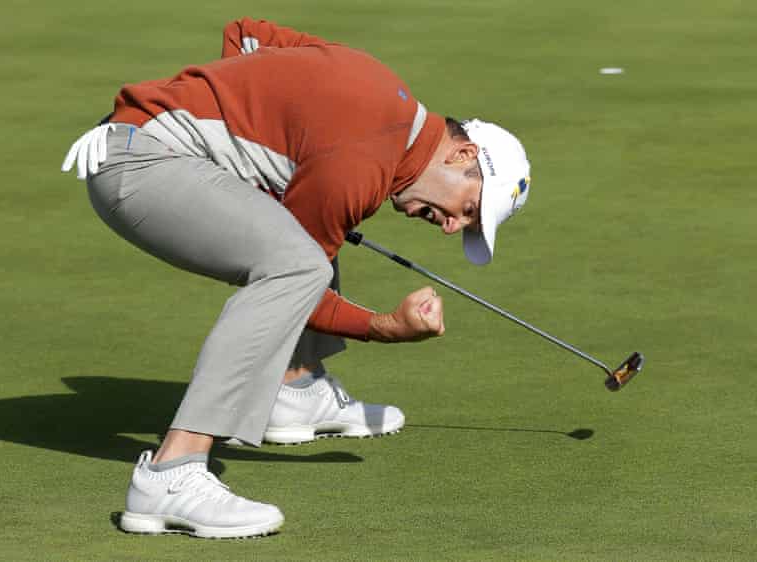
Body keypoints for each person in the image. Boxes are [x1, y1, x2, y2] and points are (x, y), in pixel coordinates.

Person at [61, 17, 531, 538]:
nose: (450, 229)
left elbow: (247, 35)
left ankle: (294, 389)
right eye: (468, 210)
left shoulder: (383, 94)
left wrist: (248, 135)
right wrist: (384, 326)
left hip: (133, 143)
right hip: (139, 164)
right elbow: (300, 287)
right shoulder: (365, 162)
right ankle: (172, 473)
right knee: (299, 260)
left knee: (303, 234)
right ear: (463, 154)